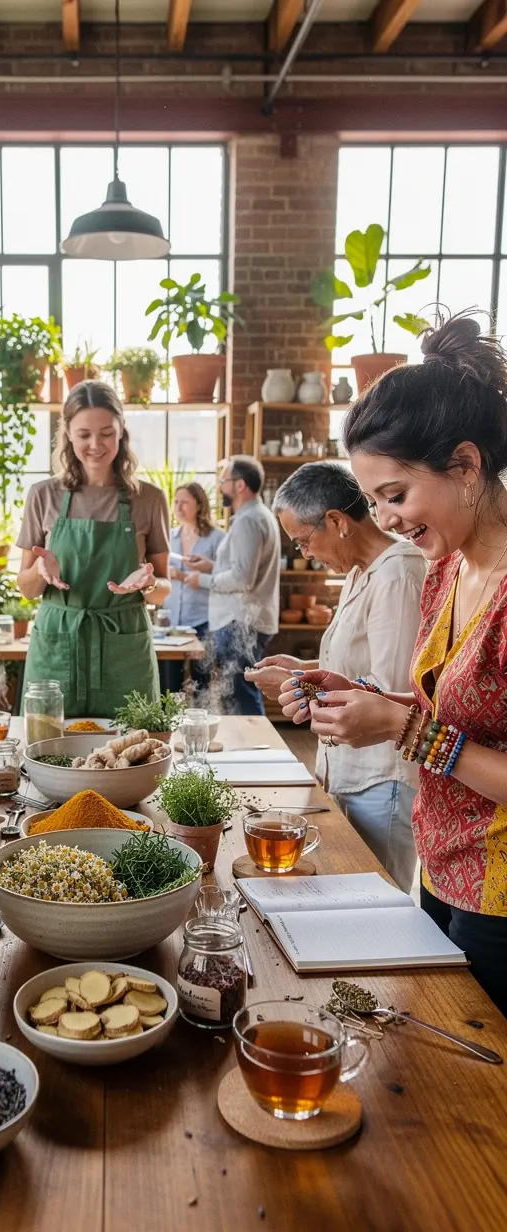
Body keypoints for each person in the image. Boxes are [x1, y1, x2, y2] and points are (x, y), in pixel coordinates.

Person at [278, 314, 507, 1013]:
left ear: (465, 465)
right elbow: (447, 711)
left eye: (396, 495)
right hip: (441, 862)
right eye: (374, 502)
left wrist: (405, 730)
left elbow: (431, 734)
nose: (386, 521)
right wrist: (356, 695)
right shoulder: (447, 569)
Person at [245, 462, 425, 891]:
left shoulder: (397, 574)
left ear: (337, 522)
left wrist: (295, 686)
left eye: (303, 541)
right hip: (350, 769)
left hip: (380, 777)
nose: (305, 553)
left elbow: (388, 693)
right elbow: (354, 669)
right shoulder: (361, 571)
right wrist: (303, 669)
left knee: (375, 898)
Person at [16, 380, 170, 717]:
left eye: (106, 433)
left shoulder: (149, 499)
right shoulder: (43, 495)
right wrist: (40, 571)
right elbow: (26, 589)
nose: (95, 445)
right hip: (58, 646)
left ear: (121, 430)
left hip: (124, 654)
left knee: (134, 743)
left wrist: (147, 583)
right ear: (68, 433)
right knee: (49, 741)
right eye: (84, 434)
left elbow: (163, 590)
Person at [192, 455, 280, 715]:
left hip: (239, 622)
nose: (220, 487)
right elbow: (245, 567)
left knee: (242, 697)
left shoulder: (248, 521)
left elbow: (242, 579)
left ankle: (253, 741)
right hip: (246, 620)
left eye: (224, 481)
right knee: (238, 695)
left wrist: (202, 580)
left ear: (240, 485)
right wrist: (211, 566)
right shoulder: (257, 515)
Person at [161, 483, 224, 699]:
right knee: (168, 685)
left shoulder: (217, 538)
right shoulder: (168, 537)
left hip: (204, 621)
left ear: (199, 505)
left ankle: (200, 719)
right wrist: (167, 573)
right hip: (171, 623)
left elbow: (228, 577)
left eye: (185, 502)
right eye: (176, 502)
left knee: (201, 684)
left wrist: (201, 574)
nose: (178, 507)